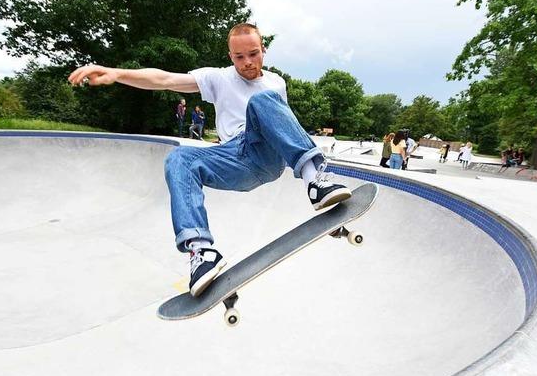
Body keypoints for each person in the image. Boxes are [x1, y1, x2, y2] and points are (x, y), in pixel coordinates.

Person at [68, 23, 352, 297]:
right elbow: (164, 79)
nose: (247, 63)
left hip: (267, 155)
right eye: (239, 57)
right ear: (230, 56)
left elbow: (285, 127)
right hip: (233, 160)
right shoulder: (218, 77)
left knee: (263, 101)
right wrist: (115, 73)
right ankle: (201, 252)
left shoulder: (276, 82)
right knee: (179, 158)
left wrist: (325, 197)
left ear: (263, 50)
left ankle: (315, 184)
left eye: (253, 54)